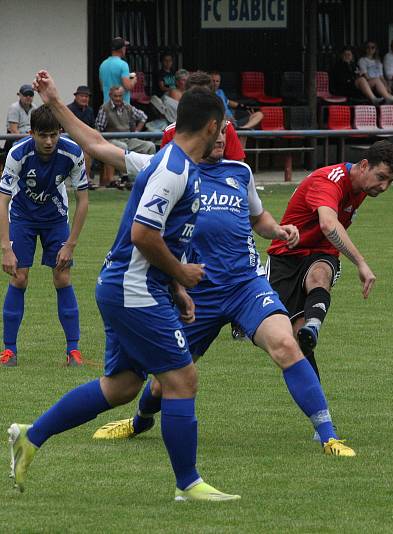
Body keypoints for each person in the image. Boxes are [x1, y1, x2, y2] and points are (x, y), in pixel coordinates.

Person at [33, 70, 357, 459]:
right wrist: (54, 102)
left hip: (244, 285)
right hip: (194, 291)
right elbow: (99, 145)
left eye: (225, 133)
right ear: (203, 129)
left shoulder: (240, 174)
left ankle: (328, 435)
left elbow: (259, 218)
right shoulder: (169, 168)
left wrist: (279, 230)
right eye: (215, 131)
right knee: (163, 382)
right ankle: (139, 422)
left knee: (287, 344)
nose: (219, 137)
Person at [9, 72, 240, 502]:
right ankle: (188, 485)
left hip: (125, 285)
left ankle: (31, 436)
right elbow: (143, 235)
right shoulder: (173, 171)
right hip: (134, 289)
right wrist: (183, 274)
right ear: (212, 127)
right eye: (223, 127)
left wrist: (56, 101)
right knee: (182, 379)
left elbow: (94, 143)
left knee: (123, 387)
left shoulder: (161, 160)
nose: (223, 134)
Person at [265, 141, 393, 440]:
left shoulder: (362, 187)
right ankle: (320, 416)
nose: (384, 187)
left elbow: (328, 237)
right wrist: (362, 263)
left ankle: (313, 325)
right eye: (381, 177)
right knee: (296, 346)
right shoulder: (329, 180)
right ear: (363, 165)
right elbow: (329, 224)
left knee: (320, 274)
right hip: (285, 258)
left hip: (319, 253)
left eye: (390, 181)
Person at [0, 105, 89, 368]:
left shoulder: (72, 153)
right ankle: (9, 351)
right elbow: (2, 201)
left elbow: (83, 200)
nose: (48, 142)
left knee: (62, 275)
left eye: (53, 135)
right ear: (31, 133)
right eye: (42, 135)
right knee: (20, 277)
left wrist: (70, 244)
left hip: (56, 217)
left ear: (60, 132)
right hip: (23, 216)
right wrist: (6, 248)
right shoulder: (18, 154)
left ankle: (73, 351)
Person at [161, 71, 246, 160]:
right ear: (186, 97)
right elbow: (164, 166)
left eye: (204, 96)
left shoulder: (225, 127)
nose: (199, 100)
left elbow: (238, 165)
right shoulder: (171, 131)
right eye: (195, 95)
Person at [95, 85, 155, 187]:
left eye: (120, 96)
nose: (118, 99)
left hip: (128, 139)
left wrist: (136, 131)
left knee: (150, 146)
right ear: (110, 96)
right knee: (123, 147)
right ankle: (127, 178)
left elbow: (143, 117)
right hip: (111, 140)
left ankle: (147, 177)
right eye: (115, 96)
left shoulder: (128, 107)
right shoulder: (104, 109)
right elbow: (98, 128)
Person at [67, 85, 96, 187]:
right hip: (71, 140)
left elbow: (93, 127)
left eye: (86, 96)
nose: (84, 98)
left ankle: (108, 181)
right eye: (82, 96)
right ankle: (86, 179)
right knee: (86, 152)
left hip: (87, 141)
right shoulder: (69, 109)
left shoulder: (90, 110)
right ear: (76, 96)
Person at [357, 40, 393, 105]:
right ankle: (387, 98)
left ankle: (389, 109)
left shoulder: (378, 61)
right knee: (377, 81)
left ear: (375, 49)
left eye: (372, 47)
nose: (370, 49)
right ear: (365, 49)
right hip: (369, 84)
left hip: (379, 84)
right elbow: (366, 77)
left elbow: (382, 77)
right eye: (368, 47)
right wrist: (380, 84)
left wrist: (386, 86)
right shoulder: (362, 60)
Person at [98, 36, 135, 105]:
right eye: (125, 47)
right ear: (122, 49)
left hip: (107, 106)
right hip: (122, 107)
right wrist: (134, 80)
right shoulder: (123, 65)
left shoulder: (103, 64)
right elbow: (128, 86)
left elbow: (102, 88)